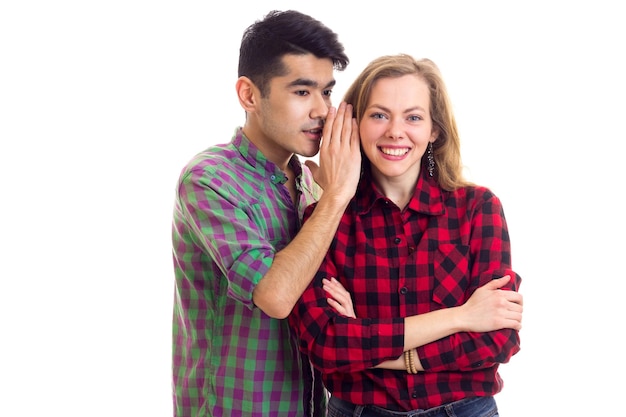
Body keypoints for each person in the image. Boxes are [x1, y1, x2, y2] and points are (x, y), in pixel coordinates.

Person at [289, 54, 524, 417]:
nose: (395, 132)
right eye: (379, 115)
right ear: (355, 124)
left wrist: (374, 347)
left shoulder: (478, 208)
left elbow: (497, 340)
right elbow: (325, 344)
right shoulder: (325, 221)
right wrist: (461, 316)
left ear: (433, 130)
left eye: (413, 117)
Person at [170, 10, 362, 417]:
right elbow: (274, 296)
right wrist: (337, 197)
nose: (322, 111)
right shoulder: (208, 178)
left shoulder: (311, 185)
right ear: (249, 95)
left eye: (326, 92)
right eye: (302, 92)